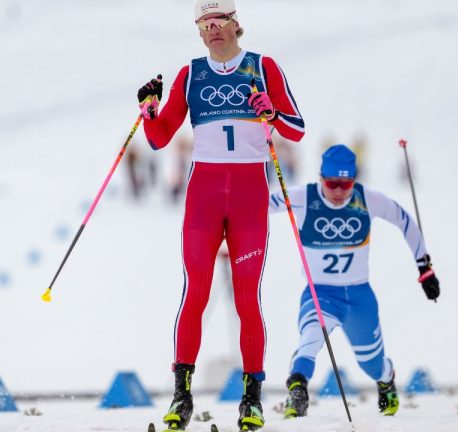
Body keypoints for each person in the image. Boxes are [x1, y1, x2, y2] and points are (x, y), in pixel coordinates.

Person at [135, 0, 305, 430]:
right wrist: (148, 109)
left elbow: (297, 128)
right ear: (199, 30)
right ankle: (181, 395)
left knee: (248, 298)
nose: (213, 29)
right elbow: (157, 139)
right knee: (196, 291)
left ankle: (252, 398)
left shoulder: (263, 66)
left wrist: (272, 111)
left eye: (220, 21)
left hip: (249, 195)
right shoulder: (190, 73)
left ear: (235, 25)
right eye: (204, 24)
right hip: (204, 197)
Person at [269, 144, 440, 418]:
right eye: (332, 183)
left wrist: (425, 268)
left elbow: (405, 221)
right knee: (311, 338)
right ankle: (298, 388)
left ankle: (386, 378)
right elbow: (255, 206)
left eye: (345, 184)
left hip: (359, 297)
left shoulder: (367, 199)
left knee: (371, 364)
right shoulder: (302, 197)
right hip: (320, 293)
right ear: (321, 178)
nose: (338, 192)